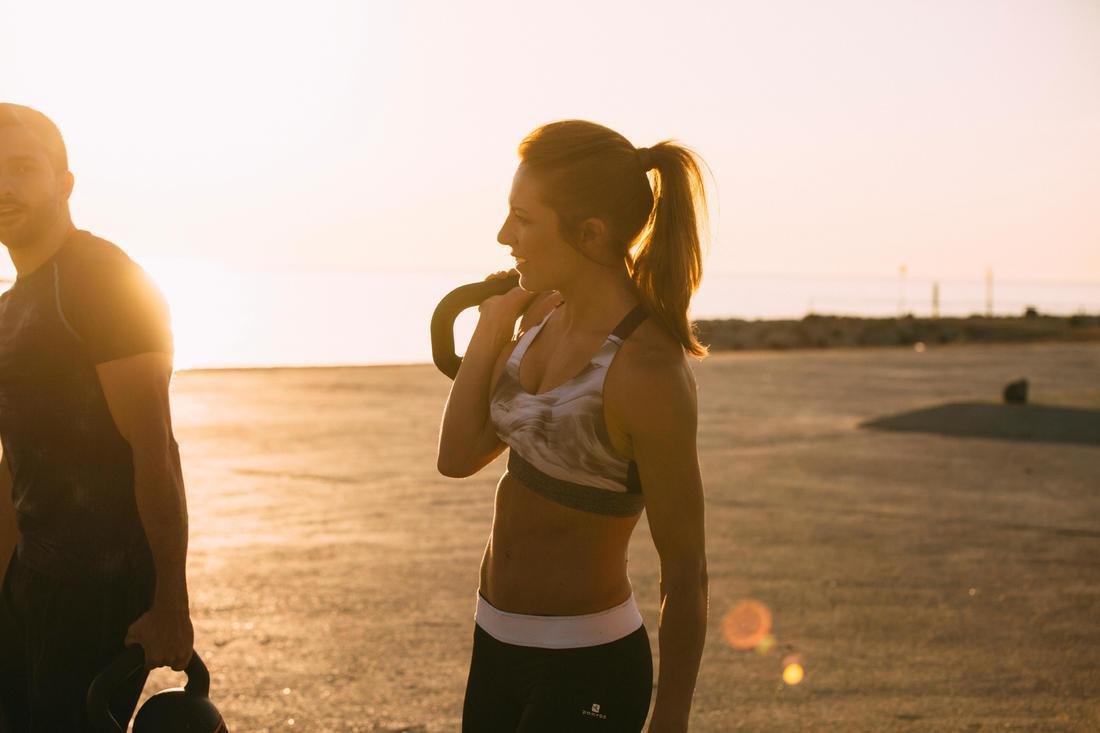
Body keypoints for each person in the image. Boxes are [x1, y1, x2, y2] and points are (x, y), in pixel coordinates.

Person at [438, 120, 709, 732]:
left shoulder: (647, 372)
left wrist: (671, 718)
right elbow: (456, 456)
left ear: (590, 234)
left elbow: (686, 570)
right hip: (496, 641)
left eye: (523, 219)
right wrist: (490, 328)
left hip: (586, 663)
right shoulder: (537, 315)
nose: (505, 236)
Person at [0, 103, 194, 731]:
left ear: (64, 183)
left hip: (101, 589)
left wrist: (171, 601)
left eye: (22, 167)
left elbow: (155, 449)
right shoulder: (12, 308)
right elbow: (17, 461)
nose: (4, 186)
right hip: (31, 579)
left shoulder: (101, 279)